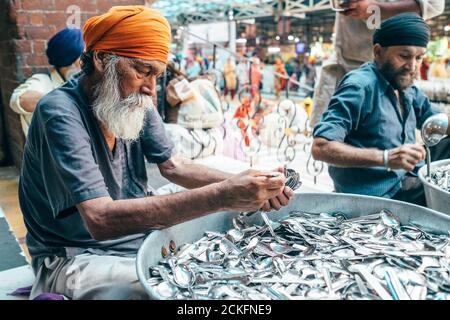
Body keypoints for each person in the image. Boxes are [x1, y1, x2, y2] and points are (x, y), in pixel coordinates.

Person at [19, 6, 294, 300]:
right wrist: (223, 195)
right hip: (74, 255)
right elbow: (99, 219)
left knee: (227, 255)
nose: (152, 88)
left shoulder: (135, 96)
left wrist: (247, 182)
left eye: (157, 75)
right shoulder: (59, 112)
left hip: (133, 238)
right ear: (101, 59)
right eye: (143, 70)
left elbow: (174, 166)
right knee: (171, 290)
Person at [312, 13, 450, 206]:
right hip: (377, 194)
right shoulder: (360, 86)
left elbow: (438, 120)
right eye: (404, 56)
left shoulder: (405, 86)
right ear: (378, 52)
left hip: (407, 178)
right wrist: (386, 158)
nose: (412, 66)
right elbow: (321, 147)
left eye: (419, 58)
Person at [309, 0, 445, 127]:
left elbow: (433, 5)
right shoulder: (354, 87)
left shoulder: (405, 89)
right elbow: (323, 144)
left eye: (419, 58)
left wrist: (376, 9)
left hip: (389, 72)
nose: (413, 66)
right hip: (347, 63)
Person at [10, 28, 84, 136]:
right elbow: (18, 100)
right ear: (70, 62)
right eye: (81, 60)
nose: (85, 65)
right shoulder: (43, 81)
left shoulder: (80, 86)